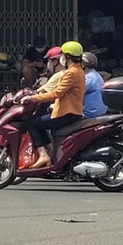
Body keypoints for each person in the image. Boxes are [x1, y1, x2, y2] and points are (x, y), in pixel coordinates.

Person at [23, 41, 86, 169]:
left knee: (32, 123)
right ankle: (50, 152)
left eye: (62, 54)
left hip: (66, 113)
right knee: (39, 123)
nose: (61, 57)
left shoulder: (71, 73)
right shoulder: (78, 71)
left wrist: (33, 98)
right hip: (72, 112)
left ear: (67, 56)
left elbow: (56, 93)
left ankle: (43, 155)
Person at [82, 52, 108, 118]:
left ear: (83, 65)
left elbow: (76, 93)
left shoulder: (89, 77)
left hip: (89, 115)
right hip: (99, 114)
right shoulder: (95, 75)